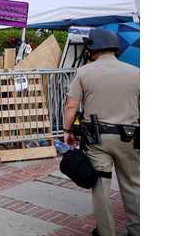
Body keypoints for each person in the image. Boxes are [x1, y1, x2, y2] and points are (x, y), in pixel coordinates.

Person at [63, 27, 139, 236]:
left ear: (93, 48)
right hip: (130, 139)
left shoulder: (84, 72)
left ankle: (106, 232)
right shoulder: (136, 72)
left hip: (97, 141)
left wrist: (68, 130)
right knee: (133, 186)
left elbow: (71, 106)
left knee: (100, 187)